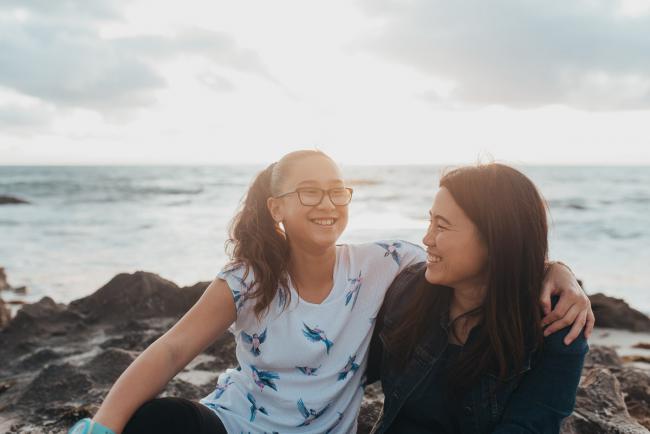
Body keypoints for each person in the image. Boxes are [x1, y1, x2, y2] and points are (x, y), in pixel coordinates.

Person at [68, 151, 592, 434]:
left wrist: (558, 271)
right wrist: (99, 429)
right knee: (159, 423)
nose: (427, 238)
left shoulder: (385, 267)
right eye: (309, 192)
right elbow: (173, 349)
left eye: (336, 190)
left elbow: (499, 256)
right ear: (277, 208)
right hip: (234, 425)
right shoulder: (254, 279)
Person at [368, 163, 590, 434]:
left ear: (495, 237)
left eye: (442, 226)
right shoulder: (409, 290)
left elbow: (529, 427)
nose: (427, 238)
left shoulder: (556, 324)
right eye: (430, 221)